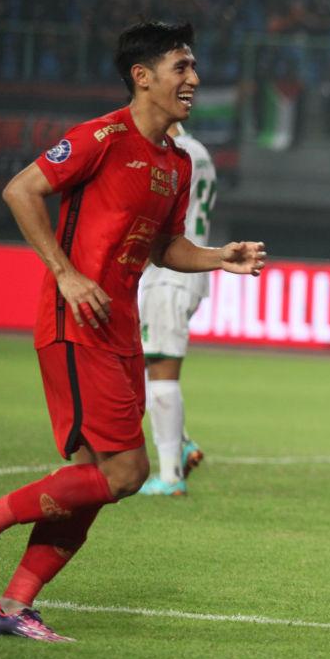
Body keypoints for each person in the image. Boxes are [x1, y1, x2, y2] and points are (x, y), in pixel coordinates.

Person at [0, 20, 266, 642]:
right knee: (124, 474)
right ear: (142, 77)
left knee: (91, 484)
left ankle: (13, 608)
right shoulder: (100, 137)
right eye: (182, 67)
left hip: (119, 327)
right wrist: (65, 274)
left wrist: (217, 257)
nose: (194, 80)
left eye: (194, 67)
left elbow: (165, 247)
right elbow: (22, 190)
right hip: (76, 324)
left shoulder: (174, 163)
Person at [136, 122, 216, 496]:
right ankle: (181, 442)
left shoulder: (168, 155)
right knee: (153, 365)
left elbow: (156, 215)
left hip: (169, 272)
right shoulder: (199, 151)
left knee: (161, 371)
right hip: (191, 269)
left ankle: (169, 476)